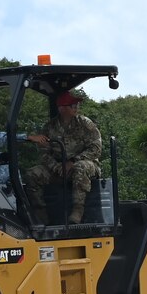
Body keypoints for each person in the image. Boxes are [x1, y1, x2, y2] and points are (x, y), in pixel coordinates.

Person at [26, 91, 105, 222]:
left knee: (80, 167)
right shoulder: (50, 127)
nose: (76, 107)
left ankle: (77, 211)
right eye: (72, 105)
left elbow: (96, 148)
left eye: (77, 104)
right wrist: (57, 167)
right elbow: (44, 153)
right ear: (62, 108)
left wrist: (73, 161)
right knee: (32, 174)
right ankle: (41, 215)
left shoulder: (85, 124)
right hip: (58, 168)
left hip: (86, 164)